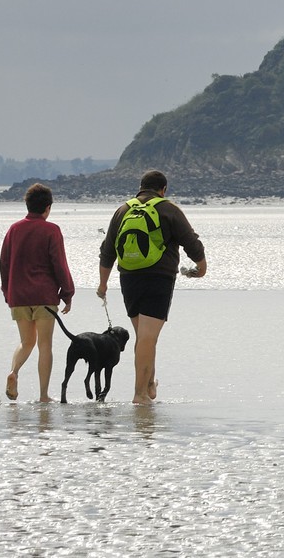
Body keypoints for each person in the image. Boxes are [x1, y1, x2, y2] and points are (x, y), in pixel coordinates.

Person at [96, 170, 206, 405]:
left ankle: (148, 384)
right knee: (148, 337)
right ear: (163, 189)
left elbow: (108, 250)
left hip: (129, 278)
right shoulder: (168, 208)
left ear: (141, 187)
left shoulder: (123, 210)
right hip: (159, 277)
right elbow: (191, 241)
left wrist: (103, 283)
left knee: (144, 336)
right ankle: (139, 395)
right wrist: (201, 266)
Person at [0, 182, 75, 402]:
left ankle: (14, 372)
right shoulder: (51, 230)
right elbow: (60, 264)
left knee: (26, 342)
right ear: (48, 207)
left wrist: (8, 292)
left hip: (18, 296)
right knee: (44, 345)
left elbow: (4, 263)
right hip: (44, 296)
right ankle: (43, 395)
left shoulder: (14, 229)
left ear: (27, 205)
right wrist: (67, 293)